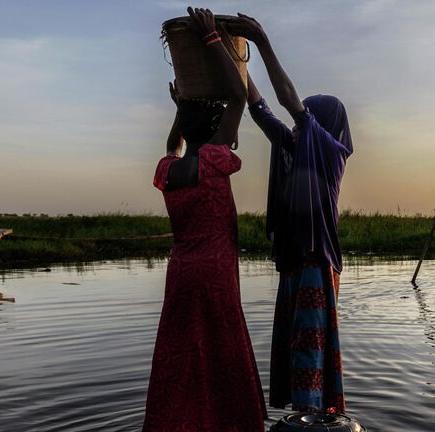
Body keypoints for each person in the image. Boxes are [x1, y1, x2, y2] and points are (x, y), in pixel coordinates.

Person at [145, 8, 265, 432]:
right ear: (216, 129)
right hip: (214, 271)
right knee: (221, 347)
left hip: (181, 272)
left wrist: (180, 106)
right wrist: (214, 39)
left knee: (182, 351)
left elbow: (172, 143)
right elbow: (237, 95)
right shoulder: (216, 160)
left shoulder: (168, 170)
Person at [232, 13, 350, 413]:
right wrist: (237, 60)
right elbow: (262, 110)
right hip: (295, 263)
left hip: (316, 263)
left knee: (309, 350)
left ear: (323, 126)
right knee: (296, 344)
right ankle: (306, 417)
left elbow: (287, 103)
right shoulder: (295, 144)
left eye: (309, 120)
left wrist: (262, 41)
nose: (300, 125)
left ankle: (314, 418)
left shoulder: (330, 153)